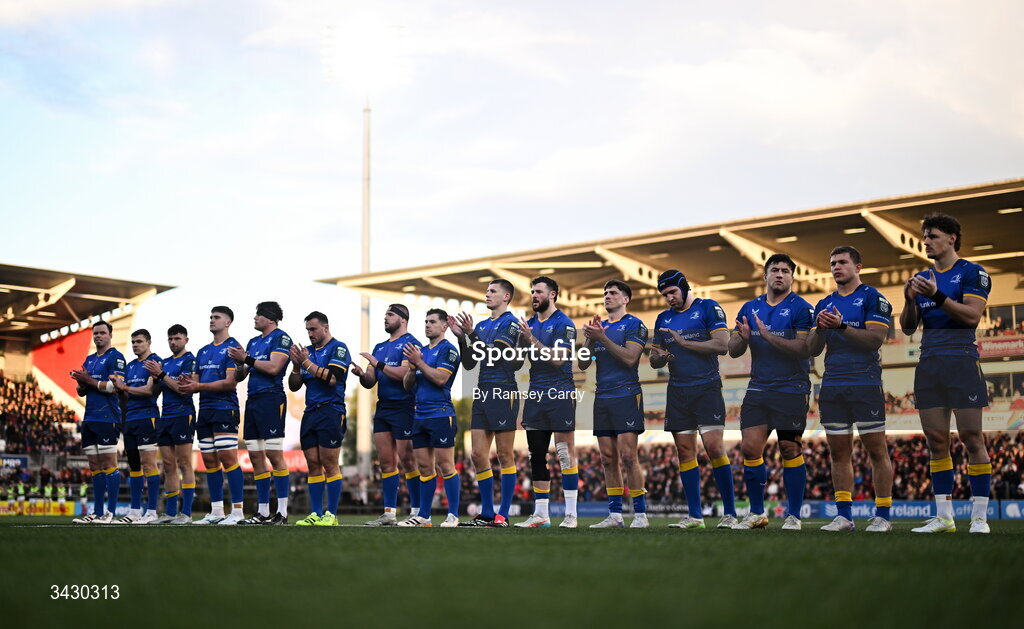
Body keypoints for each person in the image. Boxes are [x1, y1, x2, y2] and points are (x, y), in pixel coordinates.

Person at [900, 213, 993, 534]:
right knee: (936, 441)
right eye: (924, 236)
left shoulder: (973, 273)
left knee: (971, 438)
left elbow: (971, 317)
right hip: (929, 364)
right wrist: (910, 300)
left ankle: (979, 517)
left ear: (952, 238)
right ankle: (945, 517)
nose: (926, 242)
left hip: (962, 361)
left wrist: (936, 295)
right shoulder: (921, 277)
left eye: (932, 236)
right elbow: (909, 327)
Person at [807, 247, 895, 532]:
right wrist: (819, 329)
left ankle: (882, 516)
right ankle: (844, 516)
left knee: (876, 451)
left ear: (858, 267)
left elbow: (874, 340)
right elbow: (812, 349)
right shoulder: (824, 303)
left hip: (865, 382)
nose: (836, 267)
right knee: (838, 453)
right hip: (832, 383)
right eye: (832, 263)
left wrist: (841, 325)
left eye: (843, 262)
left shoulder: (873, 298)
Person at [728, 254, 813, 531]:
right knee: (750, 448)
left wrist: (766, 336)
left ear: (792, 277)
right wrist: (741, 337)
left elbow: (804, 349)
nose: (779, 274)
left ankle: (794, 516)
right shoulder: (749, 307)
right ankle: (756, 514)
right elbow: (733, 349)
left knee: (789, 448)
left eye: (785, 271)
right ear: (765, 276)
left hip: (792, 387)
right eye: (774, 270)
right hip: (758, 387)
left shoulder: (802, 308)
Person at [650, 269, 737, 530]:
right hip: (677, 390)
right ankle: (695, 517)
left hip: (706, 387)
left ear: (685, 288)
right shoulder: (662, 317)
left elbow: (723, 345)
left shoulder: (708, 308)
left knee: (713, 448)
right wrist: (662, 357)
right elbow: (654, 359)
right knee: (685, 451)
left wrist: (684, 344)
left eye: (673, 292)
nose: (669, 298)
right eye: (665, 295)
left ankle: (730, 514)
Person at [449, 281, 524, 527]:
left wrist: (471, 334)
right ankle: (488, 513)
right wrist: (462, 338)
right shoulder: (481, 325)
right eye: (487, 291)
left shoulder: (510, 323)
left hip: (503, 390)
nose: (487, 294)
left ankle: (502, 515)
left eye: (493, 291)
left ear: (506, 296)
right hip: (482, 391)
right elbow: (470, 363)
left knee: (504, 454)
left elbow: (498, 354)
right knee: (477, 454)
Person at [579, 280, 649, 529]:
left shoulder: (635, 325)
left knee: (629, 456)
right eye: (605, 293)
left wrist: (602, 337)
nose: (607, 296)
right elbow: (584, 364)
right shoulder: (600, 327)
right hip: (603, 396)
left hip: (626, 394)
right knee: (607, 458)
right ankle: (615, 515)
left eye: (613, 293)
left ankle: (640, 514)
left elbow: (630, 359)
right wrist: (590, 339)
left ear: (625, 299)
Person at [516, 276, 580, 529]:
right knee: (536, 455)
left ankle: (571, 515)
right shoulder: (529, 324)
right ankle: (541, 514)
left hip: (560, 393)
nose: (534, 295)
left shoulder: (564, 324)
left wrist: (531, 339)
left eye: (539, 292)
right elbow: (518, 361)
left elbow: (558, 360)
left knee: (565, 454)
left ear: (552, 295)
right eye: (532, 292)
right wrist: (521, 342)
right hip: (535, 394)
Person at [351, 304, 423, 526]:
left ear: (403, 320)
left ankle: (416, 510)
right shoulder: (380, 346)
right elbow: (371, 380)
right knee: (385, 462)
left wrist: (377, 364)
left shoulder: (411, 344)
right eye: (385, 315)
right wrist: (362, 375)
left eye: (390, 315)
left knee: (408, 459)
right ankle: (389, 513)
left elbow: (403, 374)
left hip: (404, 406)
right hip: (383, 407)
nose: (385, 318)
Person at [179, 306, 246, 525]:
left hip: (224, 408)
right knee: (209, 461)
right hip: (205, 409)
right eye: (210, 317)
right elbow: (194, 381)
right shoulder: (203, 351)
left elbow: (229, 382)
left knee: (228, 458)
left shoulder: (233, 347)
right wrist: (186, 382)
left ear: (228, 322)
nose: (212, 320)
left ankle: (237, 512)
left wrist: (197, 385)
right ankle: (217, 512)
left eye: (216, 317)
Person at [229, 301, 294, 525]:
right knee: (255, 456)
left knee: (274, 455)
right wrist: (238, 362)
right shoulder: (253, 341)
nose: (254, 319)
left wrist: (246, 359)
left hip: (271, 399)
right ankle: (263, 511)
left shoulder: (281, 338)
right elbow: (240, 375)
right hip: (253, 400)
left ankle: (283, 512)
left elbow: (274, 368)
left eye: (258, 315)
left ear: (270, 317)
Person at [399, 308, 462, 527]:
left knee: (446, 466)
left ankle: (453, 515)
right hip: (419, 415)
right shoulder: (421, 351)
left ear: (444, 326)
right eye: (426, 321)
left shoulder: (449, 350)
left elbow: (441, 379)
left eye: (433, 322)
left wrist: (420, 362)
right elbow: (408, 386)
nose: (427, 325)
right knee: (424, 468)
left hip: (441, 414)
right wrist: (411, 369)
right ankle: (424, 516)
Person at [289, 311, 350, 527]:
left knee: (329, 462)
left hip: (331, 410)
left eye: (313, 329)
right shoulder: (307, 353)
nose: (310, 333)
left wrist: (305, 362)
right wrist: (296, 365)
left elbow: (332, 378)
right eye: (307, 330)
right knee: (312, 464)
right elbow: (294, 385)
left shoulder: (338, 347)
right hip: (310, 412)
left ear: (325, 327)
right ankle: (315, 513)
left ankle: (331, 514)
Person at [113, 330, 174, 523]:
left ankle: (151, 511)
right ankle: (135, 511)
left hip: (148, 417)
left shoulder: (155, 362)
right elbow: (125, 394)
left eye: (139, 341)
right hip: (129, 419)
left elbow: (150, 391)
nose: (135, 345)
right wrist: (118, 388)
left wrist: (125, 388)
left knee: (149, 465)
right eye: (133, 342)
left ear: (149, 342)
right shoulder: (130, 366)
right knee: (134, 467)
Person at [71, 321, 126, 524]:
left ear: (110, 335)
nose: (98, 336)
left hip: (108, 417)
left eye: (102, 333)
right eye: (95, 333)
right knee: (94, 466)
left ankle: (110, 513)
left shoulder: (116, 357)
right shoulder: (90, 359)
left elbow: (115, 387)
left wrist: (89, 381)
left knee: (109, 464)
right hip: (90, 417)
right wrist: (80, 381)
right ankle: (96, 512)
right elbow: (81, 391)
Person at [147, 324, 199, 525]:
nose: (173, 342)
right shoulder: (165, 363)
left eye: (177, 338)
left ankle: (186, 514)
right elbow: (154, 393)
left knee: (184, 463)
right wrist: (155, 379)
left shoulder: (190, 360)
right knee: (168, 465)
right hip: (165, 416)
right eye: (170, 339)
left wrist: (161, 376)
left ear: (186, 339)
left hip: (183, 414)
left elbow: (183, 389)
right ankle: (170, 513)